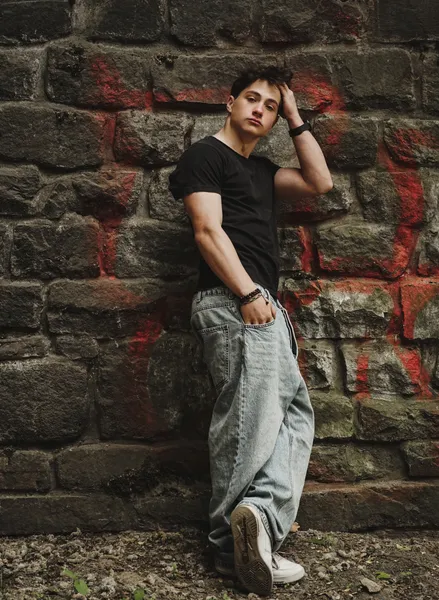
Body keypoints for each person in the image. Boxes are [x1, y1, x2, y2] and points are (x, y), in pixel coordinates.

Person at [168, 66, 333, 596]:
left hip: (262, 307)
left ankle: (257, 520)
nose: (260, 109)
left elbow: (319, 183)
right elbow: (207, 230)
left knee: (292, 418)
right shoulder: (205, 156)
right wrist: (246, 294)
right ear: (230, 102)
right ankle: (228, 548)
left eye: (271, 106)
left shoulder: (261, 170)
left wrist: (296, 115)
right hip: (236, 303)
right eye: (252, 98)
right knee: (249, 422)